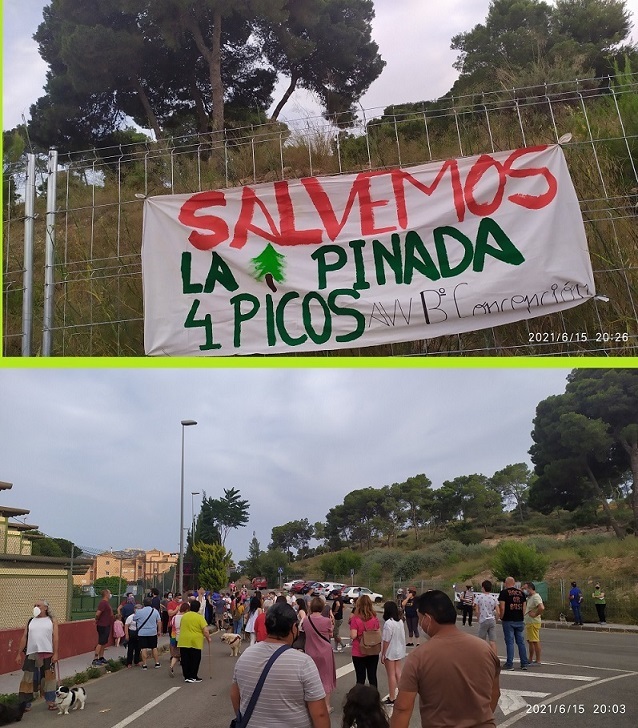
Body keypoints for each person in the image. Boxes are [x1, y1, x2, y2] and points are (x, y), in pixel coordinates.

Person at [390, 590, 500, 728]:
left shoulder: (419, 657)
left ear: (428, 619)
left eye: (420, 618)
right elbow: (495, 693)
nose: (420, 623)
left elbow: (402, 709)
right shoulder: (485, 649)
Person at [230, 602, 330, 728]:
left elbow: (234, 694)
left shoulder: (246, 655)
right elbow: (320, 713)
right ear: (294, 627)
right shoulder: (303, 663)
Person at [15, 600, 59, 712]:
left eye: (38, 605)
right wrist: (19, 653)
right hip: (32, 653)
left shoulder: (51, 620)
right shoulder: (30, 621)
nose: (36, 607)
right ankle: (25, 703)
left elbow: (55, 637)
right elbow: (24, 637)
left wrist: (56, 653)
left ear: (45, 608)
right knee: (28, 678)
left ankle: (51, 701)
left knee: (49, 678)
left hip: (47, 652)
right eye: (34, 605)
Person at [303, 597, 336, 713]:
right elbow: (330, 633)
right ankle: (326, 705)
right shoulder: (326, 621)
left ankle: (309, 704)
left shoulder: (306, 620)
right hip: (324, 652)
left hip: (310, 651)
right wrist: (332, 625)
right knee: (326, 677)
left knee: (311, 678)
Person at [349, 594, 380, 688]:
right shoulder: (375, 618)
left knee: (360, 678)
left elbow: (353, 635)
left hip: (359, 651)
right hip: (373, 650)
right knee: (372, 676)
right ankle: (374, 698)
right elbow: (379, 633)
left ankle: (360, 700)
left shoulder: (355, 619)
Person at [176, 599, 211, 683]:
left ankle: (187, 676)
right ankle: (193, 676)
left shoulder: (184, 616)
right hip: (195, 641)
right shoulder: (199, 617)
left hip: (184, 640)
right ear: (198, 608)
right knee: (195, 659)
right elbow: (205, 630)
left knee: (185, 659)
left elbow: (181, 626)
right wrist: (208, 638)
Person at [498, 577, 529, 670]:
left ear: (506, 583)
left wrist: (501, 616)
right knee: (521, 642)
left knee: (510, 642)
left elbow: (502, 607)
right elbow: (524, 607)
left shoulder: (504, 593)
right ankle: (524, 663)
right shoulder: (521, 593)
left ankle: (509, 664)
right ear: (514, 583)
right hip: (519, 620)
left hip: (508, 620)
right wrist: (521, 616)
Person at [381, 600, 406, 706]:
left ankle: (392, 697)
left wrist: (383, 654)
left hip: (390, 650)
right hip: (399, 649)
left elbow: (386, 640)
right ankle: (402, 695)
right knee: (398, 673)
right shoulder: (399, 621)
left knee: (391, 674)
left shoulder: (388, 623)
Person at [133, 596, 162, 669]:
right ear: (151, 603)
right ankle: (157, 663)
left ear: (143, 604)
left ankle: (145, 664)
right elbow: (159, 621)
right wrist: (159, 631)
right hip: (152, 632)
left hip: (142, 633)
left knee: (143, 648)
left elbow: (134, 618)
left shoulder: (139, 611)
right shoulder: (155, 611)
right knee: (154, 648)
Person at [473, 580, 499, 654]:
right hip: (492, 620)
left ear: (483, 588)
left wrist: (478, 618)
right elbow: (498, 612)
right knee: (492, 641)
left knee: (482, 641)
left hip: (483, 619)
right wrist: (496, 619)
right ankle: (495, 658)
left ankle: (483, 657)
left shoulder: (478, 597)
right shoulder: (494, 598)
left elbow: (477, 610)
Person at [522, 582, 544, 665]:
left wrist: (535, 614)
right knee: (530, 641)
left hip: (533, 622)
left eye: (525, 588)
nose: (525, 590)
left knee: (535, 641)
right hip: (529, 622)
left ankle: (538, 660)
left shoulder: (536, 597)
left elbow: (541, 607)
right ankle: (530, 659)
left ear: (530, 588)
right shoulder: (530, 597)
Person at [93, 588, 113, 665]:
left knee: (104, 642)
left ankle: (101, 657)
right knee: (101, 642)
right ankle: (95, 658)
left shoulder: (106, 603)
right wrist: (97, 619)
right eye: (109, 593)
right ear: (106, 594)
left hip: (107, 624)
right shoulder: (103, 603)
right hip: (103, 625)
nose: (110, 595)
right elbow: (98, 614)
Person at [169, 602, 190, 676]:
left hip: (175, 637)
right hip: (184, 638)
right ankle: (186, 670)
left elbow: (171, 624)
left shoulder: (175, 617)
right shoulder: (186, 617)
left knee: (176, 655)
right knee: (185, 655)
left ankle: (171, 666)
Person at [124, 604, 142, 668]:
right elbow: (126, 626)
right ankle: (129, 662)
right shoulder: (130, 617)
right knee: (130, 649)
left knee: (138, 648)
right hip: (132, 633)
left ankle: (137, 661)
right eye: (137, 608)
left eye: (140, 608)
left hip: (139, 633)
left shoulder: (142, 617)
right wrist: (127, 635)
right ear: (134, 609)